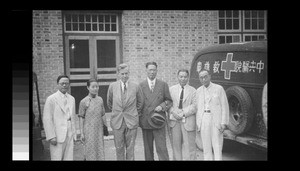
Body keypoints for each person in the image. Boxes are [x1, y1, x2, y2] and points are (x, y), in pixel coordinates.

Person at [107, 63, 142, 160]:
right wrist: (118, 112)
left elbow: (140, 103)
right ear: (118, 74)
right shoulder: (112, 86)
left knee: (130, 148)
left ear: (129, 73)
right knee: (119, 148)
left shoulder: (135, 86)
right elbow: (110, 103)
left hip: (131, 121)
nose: (124, 76)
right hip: (117, 122)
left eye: (126, 73)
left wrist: (133, 113)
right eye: (122, 74)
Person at [138, 61, 172, 160]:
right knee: (148, 150)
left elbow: (169, 101)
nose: (152, 72)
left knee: (162, 148)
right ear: (146, 71)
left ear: (157, 71)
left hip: (159, 120)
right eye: (150, 70)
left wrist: (162, 106)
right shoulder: (141, 85)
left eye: (154, 70)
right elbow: (138, 104)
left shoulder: (163, 84)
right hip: (146, 121)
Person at [195, 69, 229, 160]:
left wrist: (223, 122)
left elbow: (224, 106)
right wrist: (198, 123)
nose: (203, 79)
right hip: (204, 119)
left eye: (205, 77)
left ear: (210, 76)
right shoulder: (198, 91)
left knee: (217, 146)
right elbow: (197, 108)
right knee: (206, 146)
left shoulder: (219, 88)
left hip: (216, 119)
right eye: (201, 78)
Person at [42, 75, 77, 160]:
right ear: (57, 84)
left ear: (69, 85)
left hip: (69, 132)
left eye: (66, 83)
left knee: (69, 157)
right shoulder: (51, 99)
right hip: (57, 133)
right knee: (56, 157)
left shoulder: (72, 99)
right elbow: (47, 118)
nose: (64, 85)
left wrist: (74, 133)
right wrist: (51, 136)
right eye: (62, 83)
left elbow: (73, 117)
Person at [169, 69, 197, 160]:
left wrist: (183, 113)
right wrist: (173, 111)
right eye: (181, 76)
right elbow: (168, 103)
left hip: (187, 121)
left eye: (185, 77)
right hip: (174, 120)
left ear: (188, 77)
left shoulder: (193, 90)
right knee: (176, 146)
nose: (183, 79)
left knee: (190, 146)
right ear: (177, 77)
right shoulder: (171, 89)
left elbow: (195, 106)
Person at [78, 78, 107, 160]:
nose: (95, 89)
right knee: (90, 150)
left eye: (97, 86)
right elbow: (81, 117)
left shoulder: (100, 99)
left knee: (99, 150)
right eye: (93, 87)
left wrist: (105, 127)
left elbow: (103, 114)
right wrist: (82, 133)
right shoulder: (84, 101)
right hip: (89, 130)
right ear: (88, 87)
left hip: (99, 130)